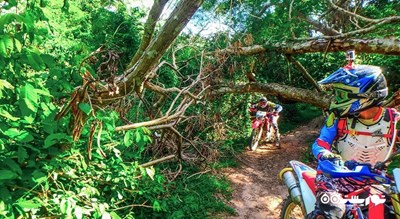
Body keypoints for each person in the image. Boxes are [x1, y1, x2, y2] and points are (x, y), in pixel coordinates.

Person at [307, 55, 400, 218]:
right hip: (334, 180)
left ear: (365, 97)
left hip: (376, 182)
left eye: (341, 95)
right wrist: (326, 155)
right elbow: (320, 143)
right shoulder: (338, 119)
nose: (336, 100)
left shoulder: (394, 121)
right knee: (331, 213)